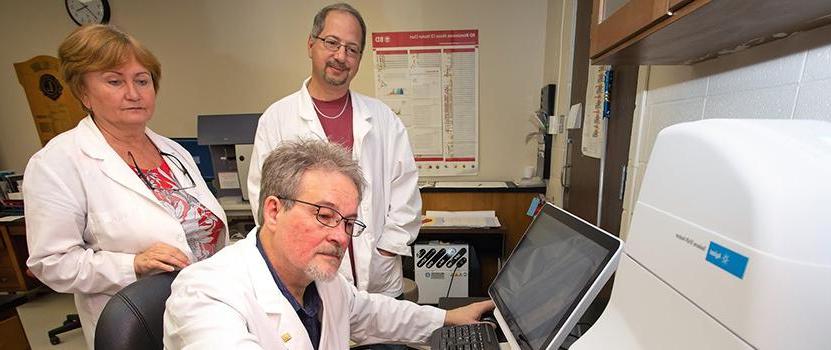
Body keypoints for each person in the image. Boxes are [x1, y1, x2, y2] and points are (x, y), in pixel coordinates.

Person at [164, 139, 492, 349]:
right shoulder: (206, 291)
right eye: (324, 215)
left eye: (349, 222)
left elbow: (371, 311)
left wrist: (446, 319)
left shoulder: (321, 281)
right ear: (274, 211)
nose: (340, 236)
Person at [23, 24, 227, 349]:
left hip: (207, 312)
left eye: (142, 80)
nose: (133, 93)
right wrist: (131, 265)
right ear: (83, 92)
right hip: (141, 327)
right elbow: (51, 262)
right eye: (115, 81)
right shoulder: (57, 163)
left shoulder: (174, 152)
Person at [247, 3, 419, 299]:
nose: (341, 56)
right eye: (332, 43)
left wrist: (386, 248)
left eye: (352, 49)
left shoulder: (382, 118)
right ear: (311, 44)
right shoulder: (278, 119)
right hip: (309, 282)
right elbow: (264, 202)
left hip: (379, 282)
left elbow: (406, 191)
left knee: (387, 342)